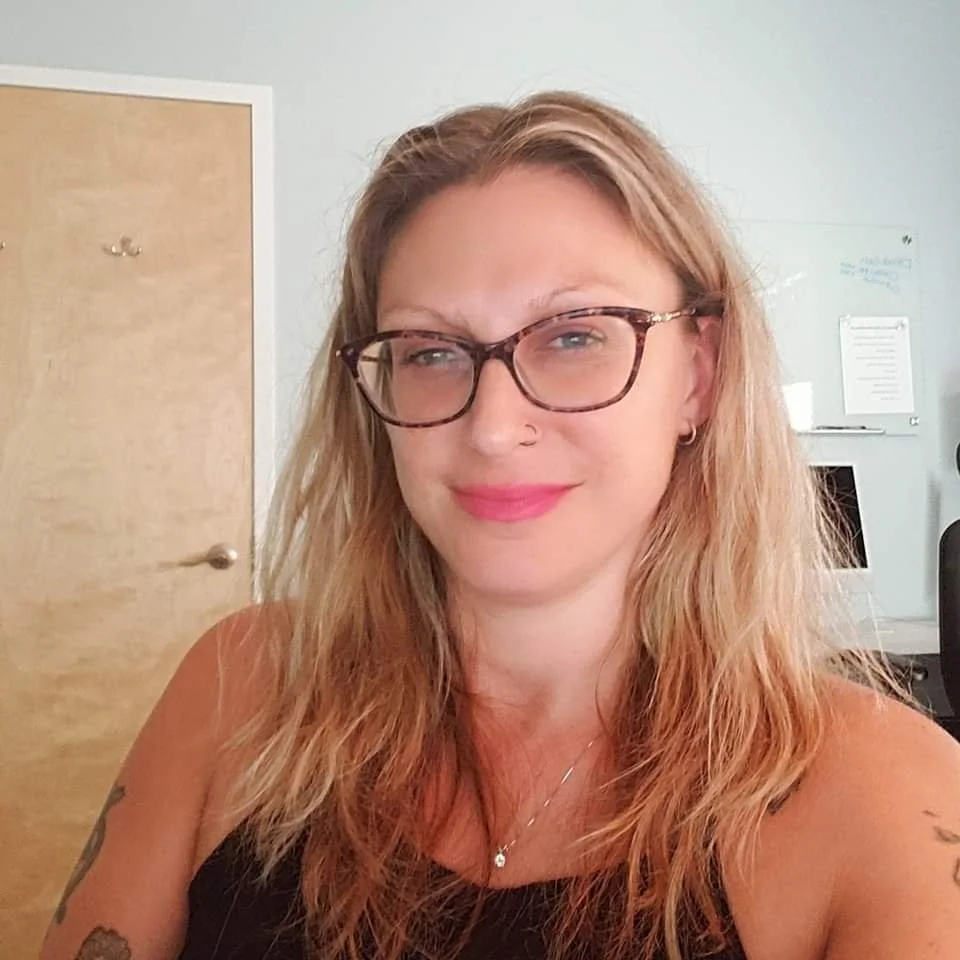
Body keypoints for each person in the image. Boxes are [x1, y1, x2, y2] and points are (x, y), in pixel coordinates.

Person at [41, 91, 960, 960]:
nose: (491, 425)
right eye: (433, 352)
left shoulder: (881, 796)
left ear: (698, 374)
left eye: (572, 336)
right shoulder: (240, 692)